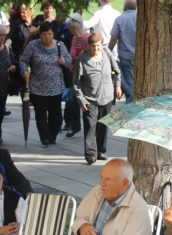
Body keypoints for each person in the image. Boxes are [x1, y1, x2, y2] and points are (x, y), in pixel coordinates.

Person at [20, 21, 71, 146]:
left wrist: (64, 61)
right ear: (40, 35)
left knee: (56, 115)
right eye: (44, 34)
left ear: (53, 33)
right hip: (37, 86)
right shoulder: (33, 45)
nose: (47, 37)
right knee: (41, 114)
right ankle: (45, 137)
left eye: (49, 34)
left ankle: (52, 135)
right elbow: (23, 60)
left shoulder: (60, 45)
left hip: (56, 86)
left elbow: (69, 60)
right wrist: (24, 70)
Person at [73, 33, 122, 165]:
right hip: (89, 98)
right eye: (93, 46)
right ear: (88, 45)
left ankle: (101, 151)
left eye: (98, 46)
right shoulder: (82, 59)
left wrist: (118, 86)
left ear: (102, 44)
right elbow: (76, 83)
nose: (96, 49)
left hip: (106, 97)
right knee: (90, 125)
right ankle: (90, 154)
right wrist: (81, 100)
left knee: (103, 124)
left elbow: (117, 71)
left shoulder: (106, 53)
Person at [108, 0, 137, 104]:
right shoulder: (141, 18)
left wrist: (108, 52)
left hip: (126, 57)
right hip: (141, 57)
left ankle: (131, 109)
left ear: (124, 8)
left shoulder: (120, 19)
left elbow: (113, 39)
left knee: (129, 84)